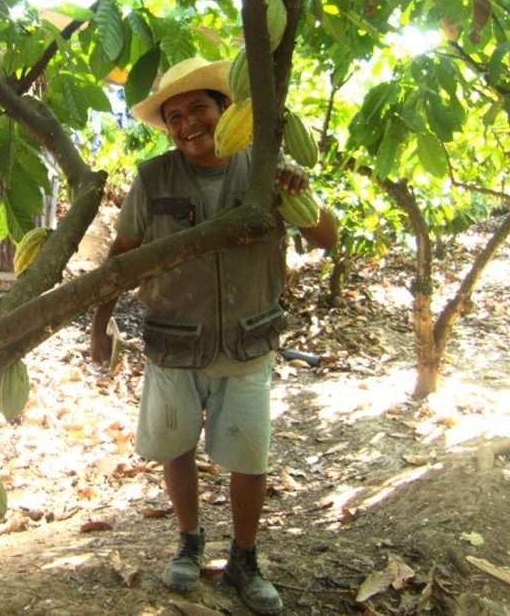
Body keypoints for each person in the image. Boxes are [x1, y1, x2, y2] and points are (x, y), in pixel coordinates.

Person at [89, 57, 338, 614]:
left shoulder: (266, 169)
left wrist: (302, 192)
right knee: (176, 448)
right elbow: (122, 258)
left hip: (247, 340)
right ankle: (190, 542)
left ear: (226, 111)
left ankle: (245, 558)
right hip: (174, 339)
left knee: (248, 457)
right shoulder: (154, 178)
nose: (186, 124)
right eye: (173, 116)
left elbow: (325, 239)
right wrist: (99, 324)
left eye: (197, 108)